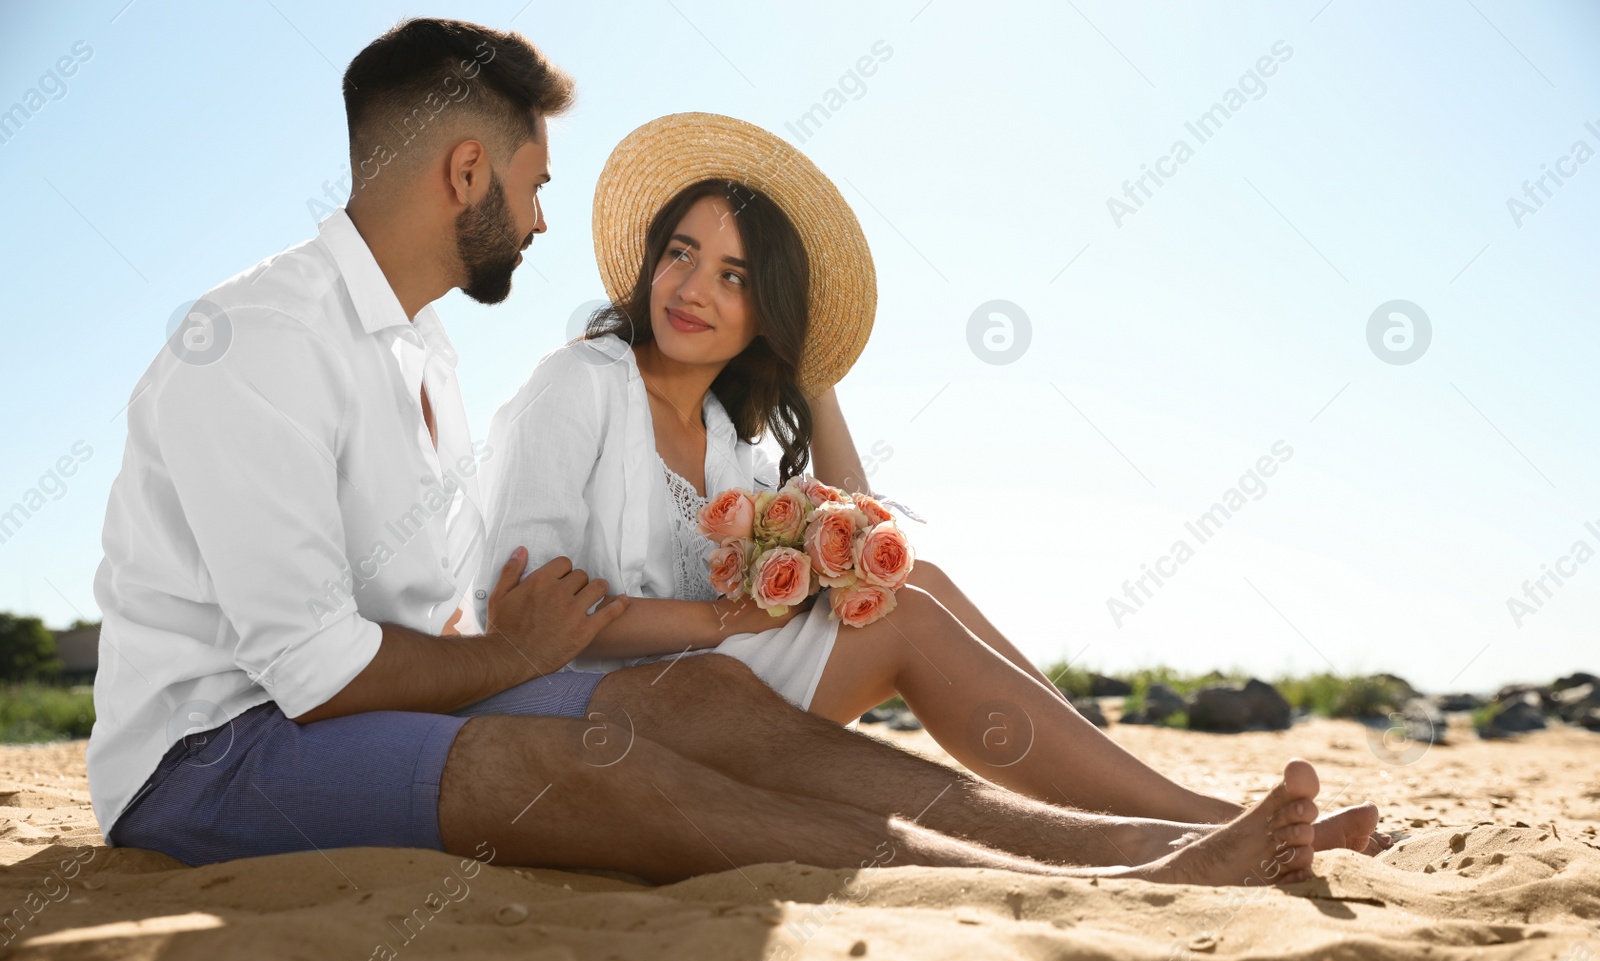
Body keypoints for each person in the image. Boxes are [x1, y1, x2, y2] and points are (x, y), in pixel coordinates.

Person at [85, 17, 1341, 891]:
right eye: (529, 185)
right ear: (464, 169)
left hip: (408, 699)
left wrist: (525, 651)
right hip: (214, 755)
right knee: (579, 757)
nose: (536, 217)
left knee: (703, 697)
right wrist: (514, 654)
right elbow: (310, 671)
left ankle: (1132, 848)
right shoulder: (256, 342)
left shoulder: (421, 355)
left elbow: (460, 621)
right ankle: (1106, 877)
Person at [475, 113, 1387, 853]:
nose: (692, 288)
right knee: (902, 608)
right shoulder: (582, 383)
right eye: (680, 253)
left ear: (766, 313)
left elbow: (860, 543)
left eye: (735, 276)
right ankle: (1188, 819)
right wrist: (725, 620)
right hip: (591, 699)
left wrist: (814, 374)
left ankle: (1181, 812)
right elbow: (519, 608)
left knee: (910, 585)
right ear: (649, 261)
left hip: (716, 683)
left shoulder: (720, 435)